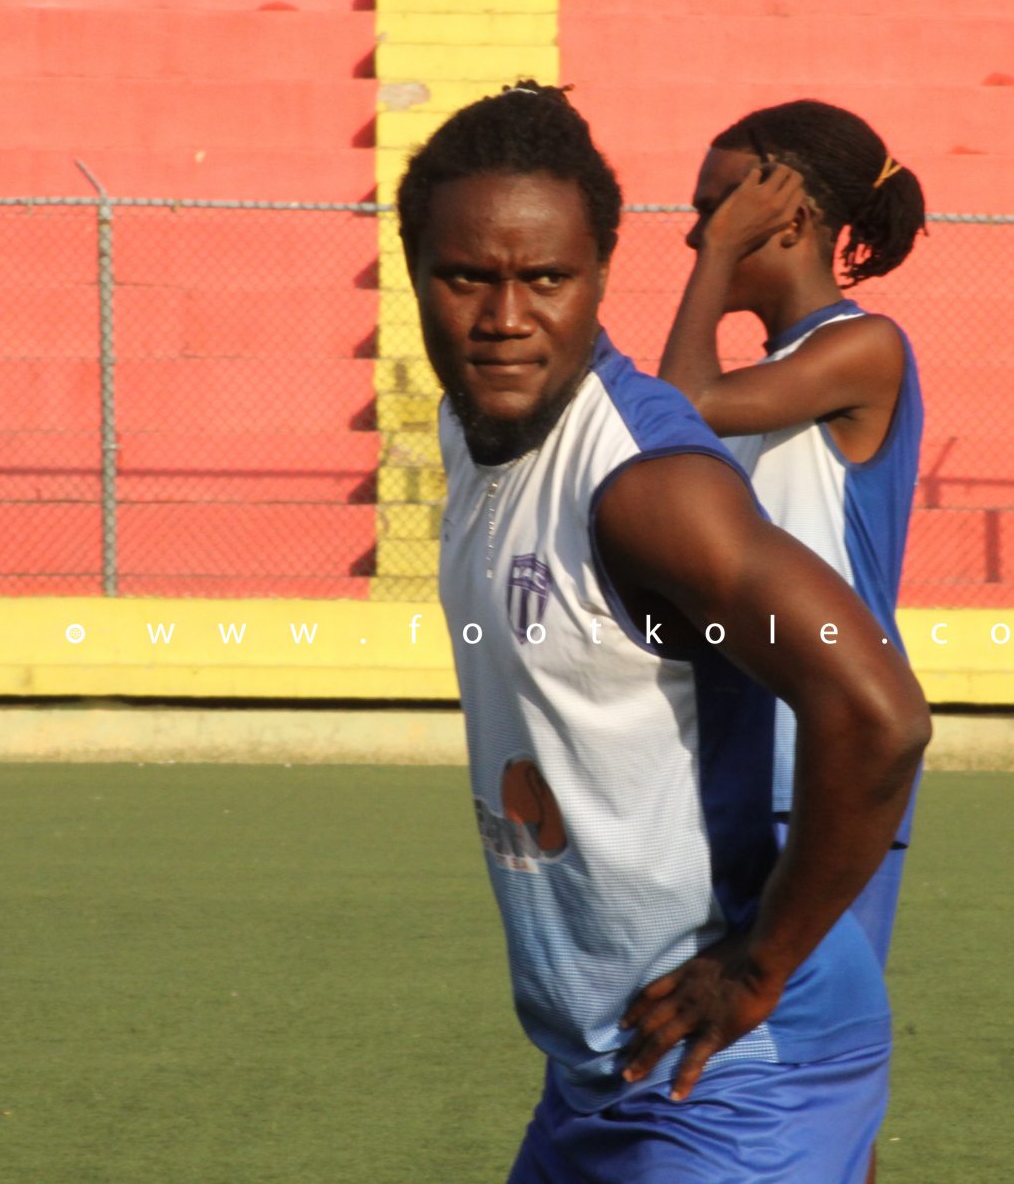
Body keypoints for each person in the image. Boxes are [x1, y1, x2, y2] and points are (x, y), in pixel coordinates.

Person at [398, 80, 930, 1183]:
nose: (504, 317)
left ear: (597, 273)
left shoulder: (648, 488)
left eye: (544, 279)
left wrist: (754, 969)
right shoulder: (471, 425)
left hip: (728, 1071)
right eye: (466, 278)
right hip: (601, 1065)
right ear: (415, 275)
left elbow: (875, 713)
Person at [657, 101, 928, 971]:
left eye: (718, 208)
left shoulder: (864, 348)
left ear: (792, 217)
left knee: (807, 1044)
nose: (697, 235)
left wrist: (721, 249)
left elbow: (679, 408)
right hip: (737, 763)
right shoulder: (765, 382)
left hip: (824, 767)